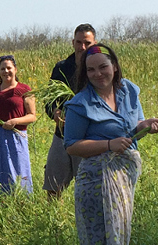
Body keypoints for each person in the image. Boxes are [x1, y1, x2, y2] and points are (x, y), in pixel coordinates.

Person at [63, 44, 158, 245]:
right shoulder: (80, 104)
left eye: (103, 67)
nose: (98, 74)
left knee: (118, 230)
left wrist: (146, 124)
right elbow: (72, 146)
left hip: (124, 178)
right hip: (95, 182)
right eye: (91, 70)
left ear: (114, 66)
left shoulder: (128, 90)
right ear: (85, 74)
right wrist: (108, 144)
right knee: (99, 239)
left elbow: (133, 125)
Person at [42, 23, 97, 200]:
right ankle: (51, 219)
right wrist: (55, 113)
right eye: (79, 42)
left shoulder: (100, 68)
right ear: (73, 42)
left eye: (87, 43)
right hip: (62, 133)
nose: (82, 47)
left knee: (89, 184)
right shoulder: (62, 67)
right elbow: (49, 100)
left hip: (89, 136)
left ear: (95, 43)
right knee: (53, 183)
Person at [0, 55, 36, 194]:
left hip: (16, 136)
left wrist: (15, 121)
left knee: (18, 167)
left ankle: (21, 198)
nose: (6, 71)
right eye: (2, 69)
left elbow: (32, 116)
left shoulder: (24, 90)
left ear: (15, 69)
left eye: (9, 68)